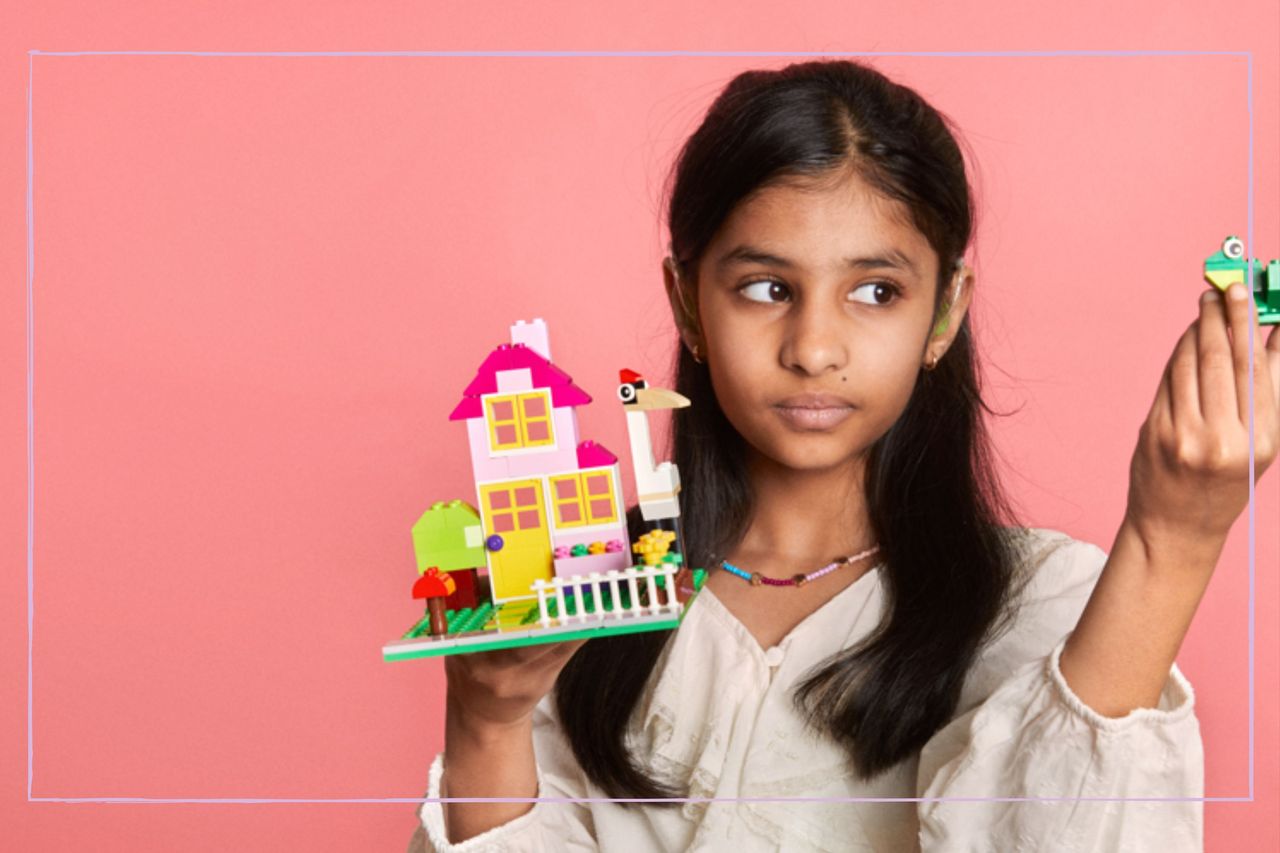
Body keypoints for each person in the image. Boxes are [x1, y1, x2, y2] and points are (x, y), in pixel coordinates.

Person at [409, 59, 1280, 851]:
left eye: (875, 291)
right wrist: (486, 721)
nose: (814, 346)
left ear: (944, 312)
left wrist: (1172, 541)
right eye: (765, 288)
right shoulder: (586, 594)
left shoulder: (1043, 606)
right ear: (686, 304)